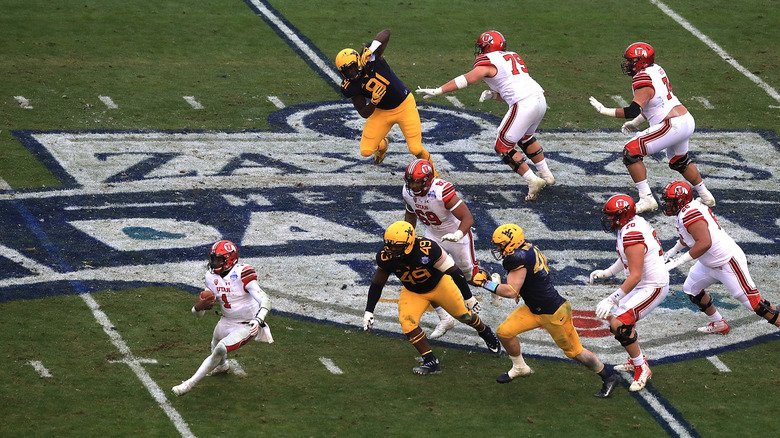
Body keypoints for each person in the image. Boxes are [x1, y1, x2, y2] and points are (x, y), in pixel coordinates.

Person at [471, 224, 618, 397]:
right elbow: (544, 261)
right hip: (534, 308)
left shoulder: (516, 258)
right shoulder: (528, 247)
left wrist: (484, 283)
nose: (497, 248)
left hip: (554, 313)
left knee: (575, 352)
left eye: (500, 244)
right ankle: (520, 367)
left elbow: (511, 291)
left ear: (511, 242)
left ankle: (608, 376)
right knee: (504, 332)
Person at [416, 30, 554, 201]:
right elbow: (513, 89)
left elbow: (468, 79)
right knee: (525, 137)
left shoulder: (488, 61)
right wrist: (495, 96)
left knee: (502, 146)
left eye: (482, 47)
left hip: (524, 103)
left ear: (487, 46)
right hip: (539, 99)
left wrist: (439, 90)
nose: (480, 51)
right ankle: (547, 175)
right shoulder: (512, 56)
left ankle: (533, 180)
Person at [588, 42, 715, 214]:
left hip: (672, 124)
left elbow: (633, 109)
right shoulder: (656, 69)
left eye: (631, 61)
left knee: (631, 152)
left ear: (640, 61)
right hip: (684, 119)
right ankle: (705, 196)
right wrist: (635, 124)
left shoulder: (643, 79)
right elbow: (654, 105)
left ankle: (646, 198)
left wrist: (604, 110)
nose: (627, 64)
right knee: (679, 160)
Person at [362, 220, 501, 375]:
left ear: (408, 243)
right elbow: (377, 284)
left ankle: (484, 331)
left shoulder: (428, 249)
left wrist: (468, 297)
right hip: (413, 291)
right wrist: (369, 311)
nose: (392, 249)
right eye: (389, 244)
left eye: (396, 246)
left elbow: (455, 272)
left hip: (439, 285)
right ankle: (430, 360)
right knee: (407, 324)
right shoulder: (385, 256)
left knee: (464, 316)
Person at [661, 181, 779, 332]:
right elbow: (688, 237)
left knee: (755, 304)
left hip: (727, 261)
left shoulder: (689, 213)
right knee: (692, 288)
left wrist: (678, 262)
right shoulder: (687, 210)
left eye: (669, 201)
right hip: (709, 263)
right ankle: (719, 323)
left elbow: (704, 243)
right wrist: (671, 252)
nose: (666, 204)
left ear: (679, 201)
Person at [401, 158, 493, 339]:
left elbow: (467, 217)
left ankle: (493, 283)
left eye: (417, 181)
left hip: (456, 234)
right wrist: (407, 236)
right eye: (410, 181)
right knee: (428, 276)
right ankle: (445, 317)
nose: (413, 185)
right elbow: (410, 214)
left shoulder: (441, 190)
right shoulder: (408, 192)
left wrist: (458, 235)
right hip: (433, 234)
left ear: (427, 180)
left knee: (471, 278)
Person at [589, 194, 669, 392]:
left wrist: (611, 299)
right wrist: (607, 272)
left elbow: (634, 275)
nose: (609, 220)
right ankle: (637, 360)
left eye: (612, 216)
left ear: (623, 215)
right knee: (619, 322)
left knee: (620, 324)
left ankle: (642, 368)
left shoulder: (633, 233)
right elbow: (626, 256)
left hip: (652, 286)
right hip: (644, 283)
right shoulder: (633, 224)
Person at [172, 240, 273, 396]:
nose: (214, 263)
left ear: (230, 259)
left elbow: (265, 299)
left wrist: (258, 320)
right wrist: (198, 307)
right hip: (227, 320)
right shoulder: (211, 277)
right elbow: (199, 315)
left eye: (219, 259)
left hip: (247, 324)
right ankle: (222, 366)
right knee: (215, 344)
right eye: (213, 259)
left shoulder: (242, 273)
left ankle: (188, 384)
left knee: (220, 348)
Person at [336, 29, 435, 170]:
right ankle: (382, 144)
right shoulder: (350, 86)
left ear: (358, 61)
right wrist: (374, 102)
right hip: (381, 111)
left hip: (404, 105)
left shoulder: (371, 59)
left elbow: (386, 33)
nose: (351, 73)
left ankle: (434, 176)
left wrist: (372, 48)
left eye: (352, 67)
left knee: (416, 149)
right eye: (346, 71)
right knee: (365, 151)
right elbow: (363, 112)